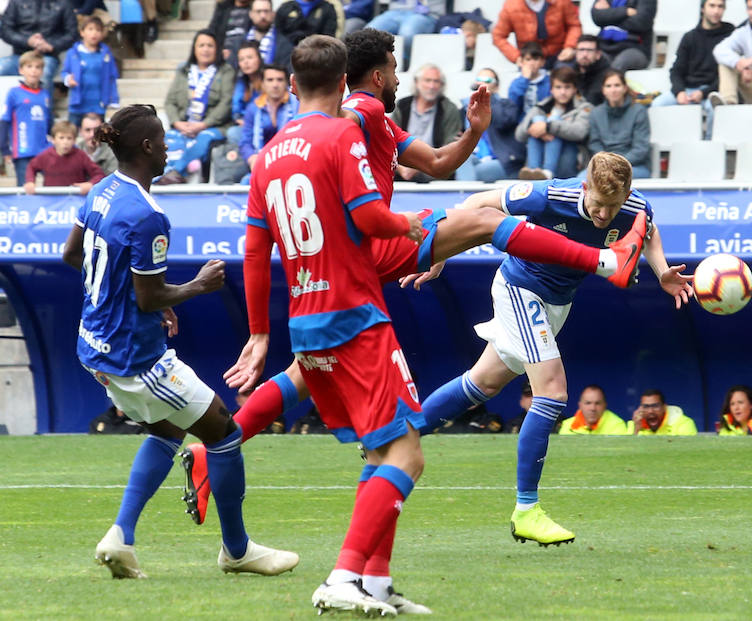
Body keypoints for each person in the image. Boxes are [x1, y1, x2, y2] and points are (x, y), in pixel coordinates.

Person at [180, 29, 655, 562]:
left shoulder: (357, 123)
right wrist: (405, 227)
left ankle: (213, 451)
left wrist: (474, 133)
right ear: (375, 75)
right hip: (370, 241)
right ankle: (603, 261)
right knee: (482, 219)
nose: (402, 78)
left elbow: (436, 164)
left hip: (341, 261)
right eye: (394, 68)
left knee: (307, 375)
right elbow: (347, 137)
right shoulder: (358, 110)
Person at [59, 104, 299, 580]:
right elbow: (149, 296)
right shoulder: (148, 216)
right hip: (136, 356)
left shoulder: (102, 191)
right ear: (146, 147)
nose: (170, 148)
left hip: (95, 345)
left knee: (168, 430)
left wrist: (142, 299)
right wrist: (197, 286)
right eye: (164, 140)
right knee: (224, 433)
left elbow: (73, 255)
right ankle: (237, 550)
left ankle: (120, 537)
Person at [236, 35, 427, 616]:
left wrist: (259, 333)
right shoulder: (343, 133)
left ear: (291, 85)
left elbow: (253, 250)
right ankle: (343, 577)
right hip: (355, 315)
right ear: (345, 85)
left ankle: (375, 583)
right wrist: (408, 225)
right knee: (408, 456)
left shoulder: (266, 155)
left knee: (380, 451)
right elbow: (367, 215)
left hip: (305, 323)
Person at [412, 152, 693, 546]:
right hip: (520, 289)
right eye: (597, 203)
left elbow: (647, 229)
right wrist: (439, 255)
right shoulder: (548, 196)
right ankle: (527, 509)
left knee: (483, 383)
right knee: (553, 392)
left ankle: (398, 433)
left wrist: (662, 270)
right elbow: (476, 205)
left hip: (556, 304)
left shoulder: (632, 205)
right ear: (584, 187)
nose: (603, 214)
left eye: (612, 207)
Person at [157, 30, 236, 184]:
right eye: (201, 45)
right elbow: (169, 102)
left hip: (213, 127)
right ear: (194, 49)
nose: (205, 49)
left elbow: (226, 103)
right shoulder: (184, 71)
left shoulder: (226, 71)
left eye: (210, 46)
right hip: (184, 125)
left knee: (203, 138)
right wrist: (177, 123)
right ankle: (165, 173)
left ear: (217, 49)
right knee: (169, 139)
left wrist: (202, 125)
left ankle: (176, 173)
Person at [652, 0, 734, 139]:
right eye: (712, 6)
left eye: (720, 6)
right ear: (703, 8)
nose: (716, 11)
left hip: (713, 91)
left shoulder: (730, 35)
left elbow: (728, 74)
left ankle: (710, 148)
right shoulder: (690, 37)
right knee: (657, 104)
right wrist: (679, 92)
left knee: (715, 109)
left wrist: (703, 92)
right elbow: (676, 70)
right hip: (687, 90)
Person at [516, 64, 591, 180]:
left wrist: (548, 127)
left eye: (567, 87)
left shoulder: (584, 107)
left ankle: (547, 172)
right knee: (537, 121)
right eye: (558, 87)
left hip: (571, 161)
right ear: (551, 89)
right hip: (539, 157)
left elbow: (580, 132)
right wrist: (535, 128)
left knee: (553, 121)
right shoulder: (540, 107)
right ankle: (534, 172)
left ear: (574, 89)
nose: (562, 92)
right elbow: (519, 135)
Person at [391, 63, 462, 182]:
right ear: (417, 83)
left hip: (434, 170)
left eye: (436, 81)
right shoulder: (402, 106)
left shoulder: (449, 109)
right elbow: (390, 140)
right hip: (402, 167)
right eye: (427, 81)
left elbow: (450, 146)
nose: (432, 86)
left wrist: (419, 165)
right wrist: (401, 168)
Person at [456, 69, 527, 182]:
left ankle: (464, 197)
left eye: (487, 80)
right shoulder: (466, 108)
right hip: (476, 156)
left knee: (472, 173)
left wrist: (487, 99)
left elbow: (503, 122)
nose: (482, 83)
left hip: (503, 160)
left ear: (497, 86)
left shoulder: (506, 105)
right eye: (479, 80)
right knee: (461, 160)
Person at [235, 64, 297, 183]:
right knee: (246, 182)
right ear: (262, 84)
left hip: (291, 161)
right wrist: (252, 158)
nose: (275, 84)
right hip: (262, 162)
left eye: (279, 80)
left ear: (286, 83)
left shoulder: (297, 103)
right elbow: (245, 143)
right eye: (270, 80)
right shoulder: (253, 108)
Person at [0, 0, 78, 93]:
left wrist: (51, 45)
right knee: (2, 68)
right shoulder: (17, 2)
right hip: (19, 56)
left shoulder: (63, 3)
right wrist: (27, 41)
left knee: (43, 73)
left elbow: (72, 34)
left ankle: (43, 105)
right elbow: (5, 31)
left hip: (47, 56)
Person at [587, 69, 650, 178]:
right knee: (580, 179)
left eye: (617, 85)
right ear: (603, 90)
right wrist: (606, 164)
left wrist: (618, 165)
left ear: (625, 88)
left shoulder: (639, 111)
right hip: (603, 167)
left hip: (633, 167)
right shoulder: (595, 113)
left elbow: (641, 148)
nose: (613, 90)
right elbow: (594, 144)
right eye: (608, 86)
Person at [0, 51, 52, 186]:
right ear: (21, 70)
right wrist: (5, 149)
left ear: (42, 71)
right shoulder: (14, 93)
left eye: (37, 67)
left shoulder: (45, 94)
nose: (33, 71)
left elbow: (49, 121)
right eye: (29, 67)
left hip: (44, 150)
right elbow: (5, 121)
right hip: (23, 150)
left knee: (52, 185)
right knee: (25, 188)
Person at [61, 16, 120, 129]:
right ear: (82, 32)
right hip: (78, 102)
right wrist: (68, 79)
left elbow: (112, 76)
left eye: (98, 30)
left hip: (98, 102)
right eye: (90, 29)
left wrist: (114, 99)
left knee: (98, 135)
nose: (94, 33)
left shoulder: (105, 53)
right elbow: (65, 72)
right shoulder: (73, 53)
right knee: (72, 132)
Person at [24, 120, 105, 194]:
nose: (65, 142)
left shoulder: (81, 156)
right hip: (50, 201)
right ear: (53, 139)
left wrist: (90, 184)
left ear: (74, 140)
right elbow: (31, 167)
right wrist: (30, 182)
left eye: (69, 138)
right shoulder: (45, 155)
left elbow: (99, 174)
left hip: (74, 201)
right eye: (61, 138)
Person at [491, 0, 581, 65]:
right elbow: (498, 36)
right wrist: (516, 56)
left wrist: (570, 47)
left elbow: (574, 25)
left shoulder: (561, 2)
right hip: (529, 56)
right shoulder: (511, 6)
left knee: (565, 78)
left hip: (560, 53)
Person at [365, 0, 447, 67]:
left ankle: (407, 66)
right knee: (368, 33)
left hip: (426, 13)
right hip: (395, 11)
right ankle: (372, 67)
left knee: (407, 34)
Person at [590, 0, 657, 72]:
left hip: (635, 48)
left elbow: (642, 22)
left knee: (618, 66)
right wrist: (625, 11)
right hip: (604, 46)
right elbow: (597, 17)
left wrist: (608, 18)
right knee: (589, 60)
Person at [228, 41, 265, 145]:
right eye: (242, 59)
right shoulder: (240, 82)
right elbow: (236, 110)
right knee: (233, 133)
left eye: (250, 57)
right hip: (246, 126)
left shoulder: (268, 79)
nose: (246, 62)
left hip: (265, 125)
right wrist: (239, 119)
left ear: (259, 59)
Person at [508, 42, 552, 120]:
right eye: (528, 59)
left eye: (536, 59)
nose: (531, 63)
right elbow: (512, 105)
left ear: (542, 62)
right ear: (521, 62)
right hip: (521, 126)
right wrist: (524, 79)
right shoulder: (516, 83)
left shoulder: (549, 81)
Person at [558, 385, 627, 434]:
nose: (592, 408)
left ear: (605, 405)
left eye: (597, 403)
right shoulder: (567, 425)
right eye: (588, 403)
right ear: (580, 405)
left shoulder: (617, 425)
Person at [243, 0, 293, 67]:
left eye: (266, 11)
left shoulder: (284, 45)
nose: (263, 16)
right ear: (251, 14)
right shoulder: (239, 41)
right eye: (258, 11)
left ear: (273, 14)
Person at [627, 389, 698, 435]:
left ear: (664, 407)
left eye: (655, 406)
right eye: (646, 407)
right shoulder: (634, 425)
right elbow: (627, 453)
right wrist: (636, 430)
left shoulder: (684, 424)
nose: (650, 411)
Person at [573, 34, 611, 106]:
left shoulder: (607, 76)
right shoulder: (570, 73)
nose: (584, 54)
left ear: (598, 54)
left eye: (589, 50)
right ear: (576, 53)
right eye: (581, 50)